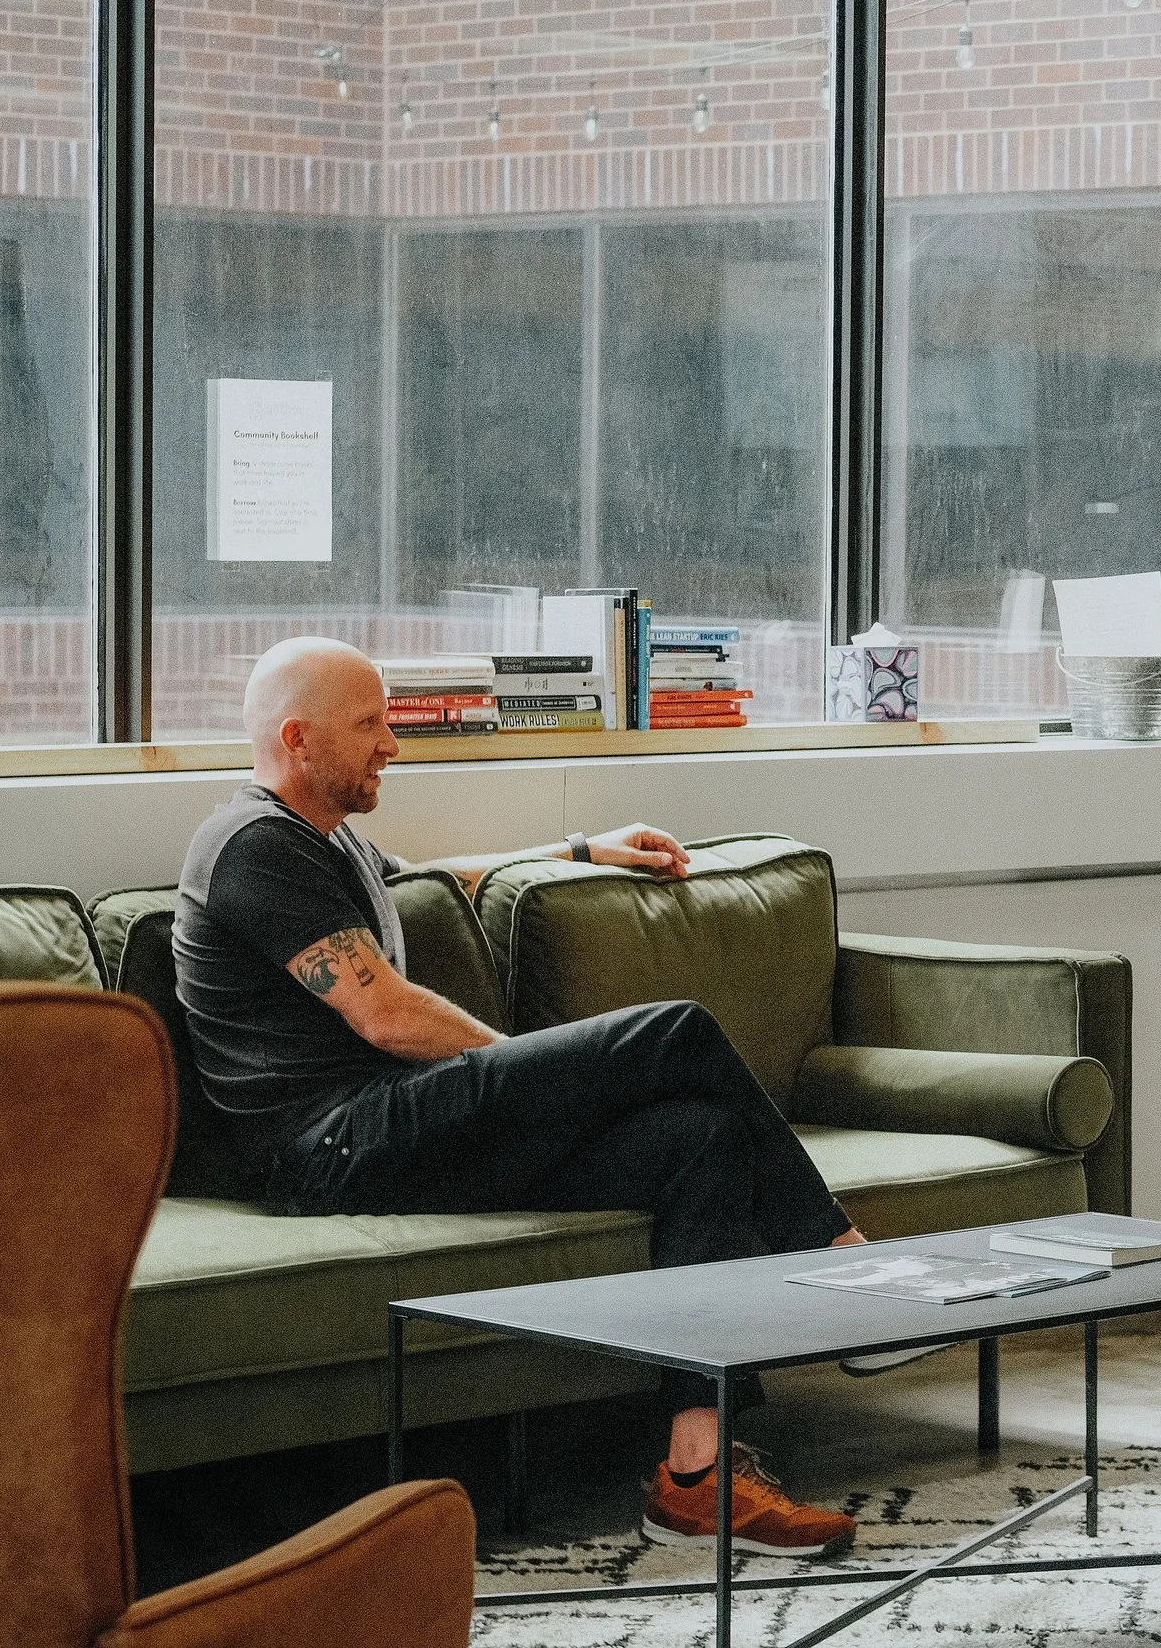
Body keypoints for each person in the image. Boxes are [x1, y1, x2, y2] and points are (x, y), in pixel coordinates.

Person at [173, 636, 864, 1558]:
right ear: (299, 740)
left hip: (392, 1130)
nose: (392, 743)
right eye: (371, 723)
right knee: (676, 1032)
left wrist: (585, 847)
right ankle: (845, 1260)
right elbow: (382, 1013)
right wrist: (534, 1073)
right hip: (328, 1147)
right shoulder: (252, 847)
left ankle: (693, 1480)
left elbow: (433, 876)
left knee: (699, 1139)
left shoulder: (325, 840)